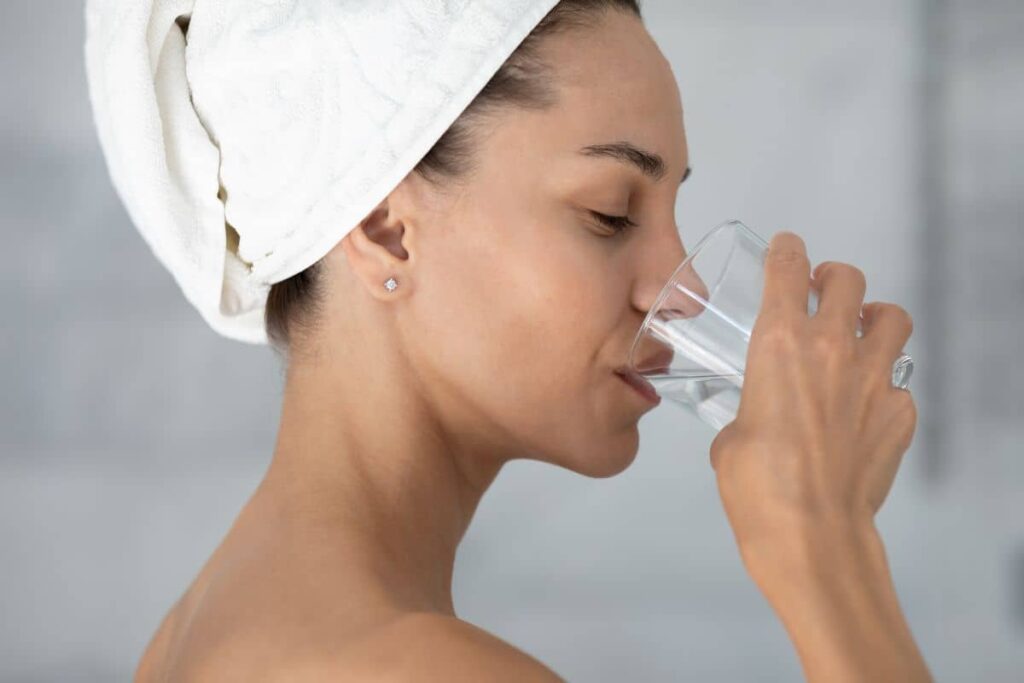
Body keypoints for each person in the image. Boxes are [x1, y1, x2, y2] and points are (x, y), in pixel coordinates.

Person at [129, 1, 931, 680]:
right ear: (385, 230)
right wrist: (824, 544)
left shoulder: (195, 632)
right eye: (611, 214)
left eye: (669, 214)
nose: (681, 292)